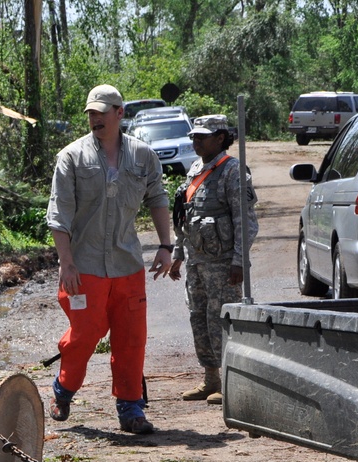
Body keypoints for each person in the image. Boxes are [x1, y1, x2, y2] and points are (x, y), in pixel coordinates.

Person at [46, 84, 174, 434]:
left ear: (120, 113)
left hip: (127, 264)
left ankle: (131, 409)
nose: (95, 118)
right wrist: (66, 262)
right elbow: (59, 216)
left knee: (132, 337)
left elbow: (158, 199)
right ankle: (64, 388)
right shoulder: (72, 157)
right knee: (85, 334)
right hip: (84, 266)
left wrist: (166, 245)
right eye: (91, 112)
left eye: (102, 111)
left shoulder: (143, 156)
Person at [169, 115, 259, 405]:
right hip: (197, 260)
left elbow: (245, 220)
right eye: (194, 136)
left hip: (222, 263)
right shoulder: (195, 169)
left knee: (221, 319)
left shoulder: (232, 171)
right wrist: (178, 253)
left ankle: (231, 380)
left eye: (202, 136)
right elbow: (185, 216)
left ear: (220, 138)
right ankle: (211, 379)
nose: (196, 141)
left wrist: (238, 260)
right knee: (199, 318)